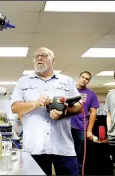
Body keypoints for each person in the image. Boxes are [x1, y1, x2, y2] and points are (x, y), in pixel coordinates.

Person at [11, 47, 82, 175]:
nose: (39, 57)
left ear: (53, 60)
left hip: (63, 146)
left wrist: (65, 112)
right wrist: (36, 103)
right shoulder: (23, 82)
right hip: (34, 147)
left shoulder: (67, 81)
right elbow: (15, 107)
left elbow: (79, 106)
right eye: (36, 56)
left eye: (44, 55)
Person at [70, 71, 99, 174]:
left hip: (81, 128)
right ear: (79, 77)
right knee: (65, 154)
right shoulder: (69, 90)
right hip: (66, 127)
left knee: (79, 154)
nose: (84, 80)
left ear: (88, 81)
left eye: (87, 79)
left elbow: (93, 112)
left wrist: (89, 130)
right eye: (83, 77)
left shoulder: (91, 94)